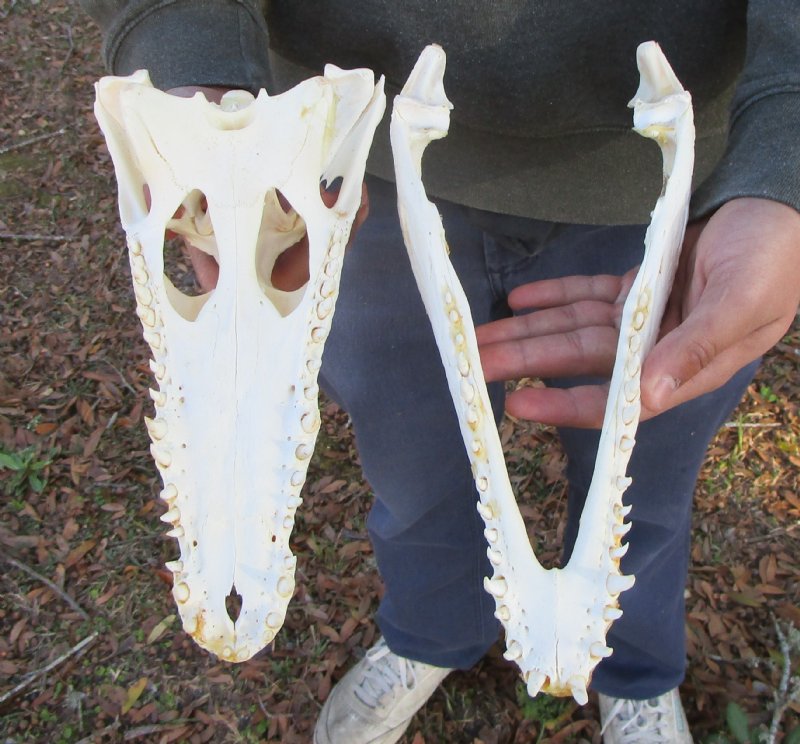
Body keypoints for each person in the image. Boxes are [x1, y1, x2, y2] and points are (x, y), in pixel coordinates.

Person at [81, 2, 800, 742]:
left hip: (677, 183)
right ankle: (432, 632)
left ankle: (634, 668)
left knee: (646, 475)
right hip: (349, 177)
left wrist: (784, 155)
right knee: (412, 464)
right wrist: (192, 71)